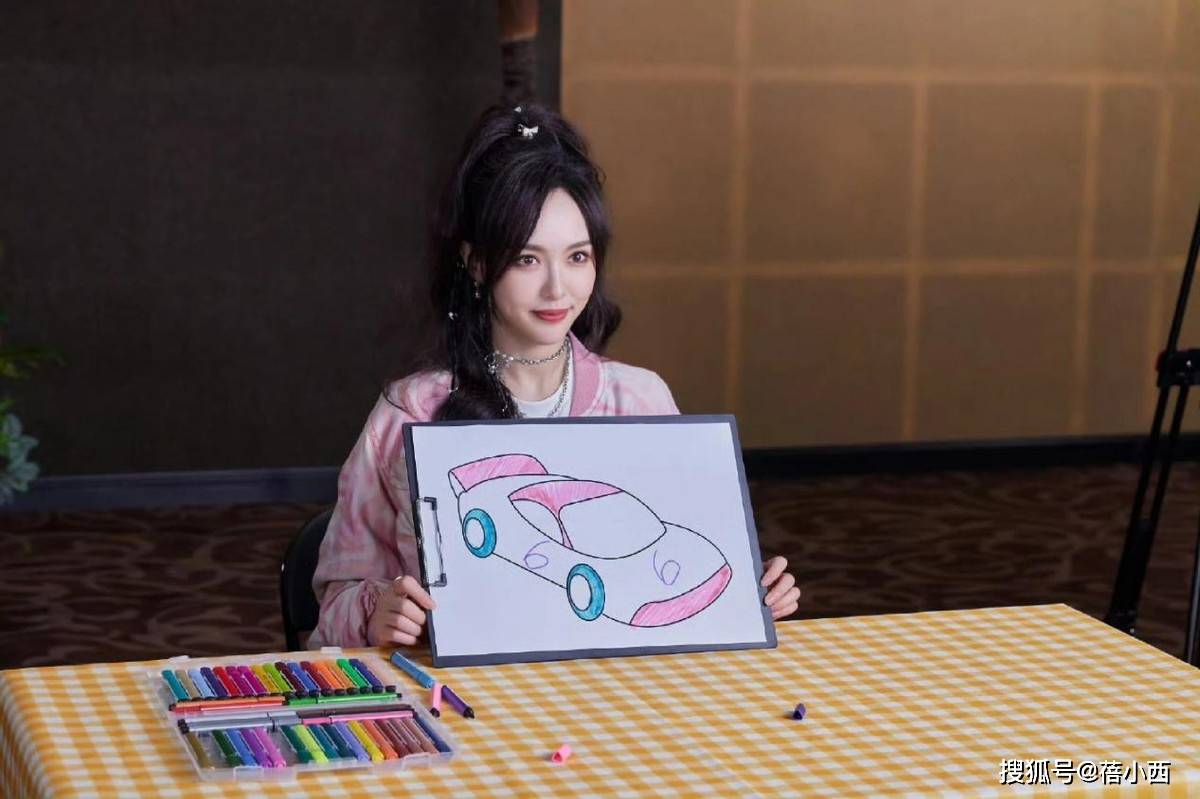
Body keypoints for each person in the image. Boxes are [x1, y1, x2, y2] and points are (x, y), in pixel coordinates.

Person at [309, 103, 801, 648]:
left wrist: (748, 594)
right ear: (476, 263)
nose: (557, 289)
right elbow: (330, 608)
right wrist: (375, 613)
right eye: (527, 259)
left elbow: (686, 578)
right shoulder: (409, 413)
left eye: (577, 257)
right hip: (460, 689)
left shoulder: (640, 400)